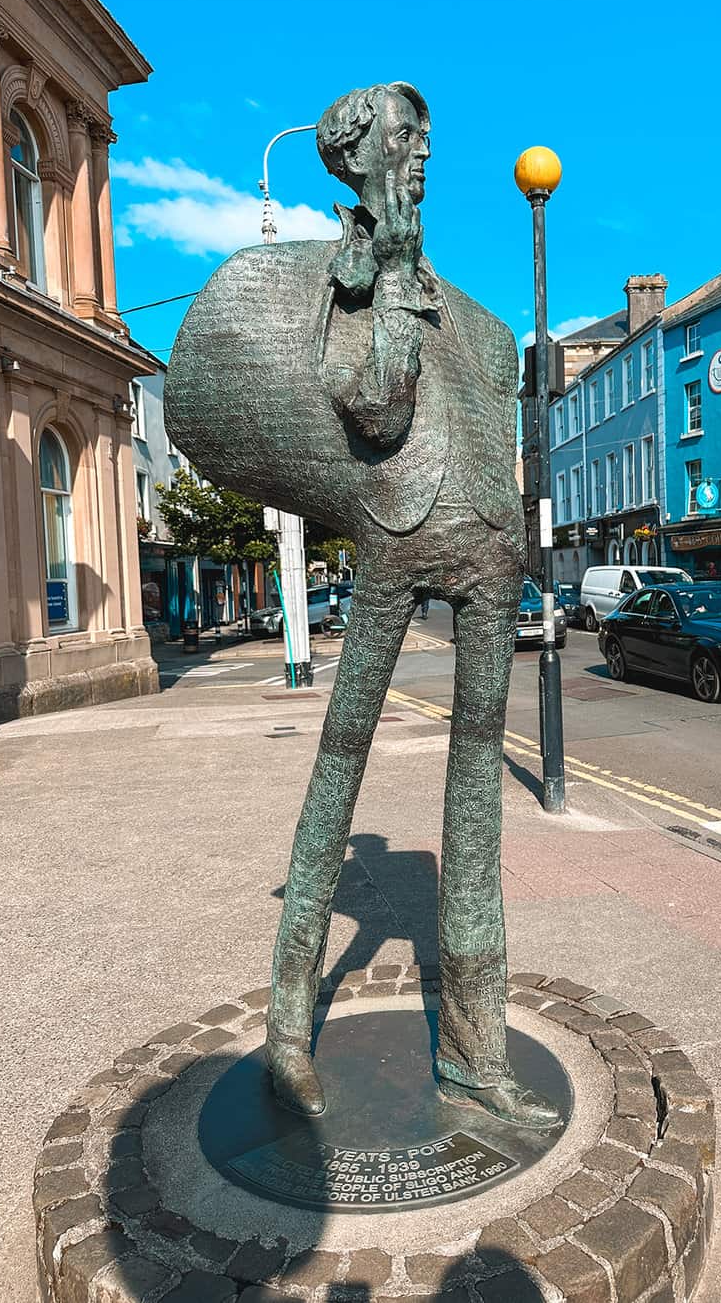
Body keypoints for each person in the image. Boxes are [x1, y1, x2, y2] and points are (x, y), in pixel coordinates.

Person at [166, 83, 557, 1130]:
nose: (423, 148)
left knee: (476, 800)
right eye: (405, 135)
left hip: (485, 547)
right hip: (394, 538)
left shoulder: (475, 317)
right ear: (357, 155)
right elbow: (376, 407)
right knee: (336, 774)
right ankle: (290, 1032)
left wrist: (516, 535)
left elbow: (490, 417)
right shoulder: (352, 282)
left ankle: (475, 1055)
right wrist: (382, 267)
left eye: (429, 134)